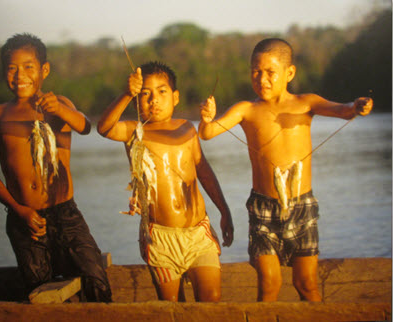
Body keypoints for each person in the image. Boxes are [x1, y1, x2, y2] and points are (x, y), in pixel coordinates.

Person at [199, 38, 373, 302]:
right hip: (263, 208)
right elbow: (208, 133)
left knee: (306, 285)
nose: (262, 79)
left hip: (302, 206)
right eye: (256, 71)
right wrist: (206, 118)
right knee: (269, 284)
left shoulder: (306, 103)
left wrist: (357, 106)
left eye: (270, 72)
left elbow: (344, 111)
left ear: (289, 73)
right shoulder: (246, 109)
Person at [0, 33, 112, 302]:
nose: (20, 75)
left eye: (29, 67)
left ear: (44, 70)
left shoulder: (58, 105)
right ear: (4, 72)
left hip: (66, 214)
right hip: (23, 218)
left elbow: (85, 127)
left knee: (95, 277)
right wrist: (19, 210)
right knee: (39, 290)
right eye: (12, 68)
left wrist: (61, 111)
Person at [97, 61, 234, 302]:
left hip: (198, 233)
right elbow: (104, 128)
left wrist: (224, 211)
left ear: (175, 96)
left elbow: (204, 171)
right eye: (145, 94)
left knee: (211, 300)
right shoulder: (133, 131)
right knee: (173, 308)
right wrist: (126, 94)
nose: (154, 100)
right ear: (137, 100)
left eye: (162, 92)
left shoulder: (187, 129)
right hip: (159, 237)